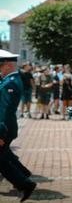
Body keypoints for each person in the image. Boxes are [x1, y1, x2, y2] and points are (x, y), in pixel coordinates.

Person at [0, 49, 36, 202]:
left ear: (7, 65)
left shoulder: (11, 82)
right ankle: (24, 175)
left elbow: (6, 110)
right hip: (6, 126)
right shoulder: (10, 80)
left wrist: (0, 133)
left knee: (1, 159)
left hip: (4, 127)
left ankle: (25, 184)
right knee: (5, 155)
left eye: (0, 66)